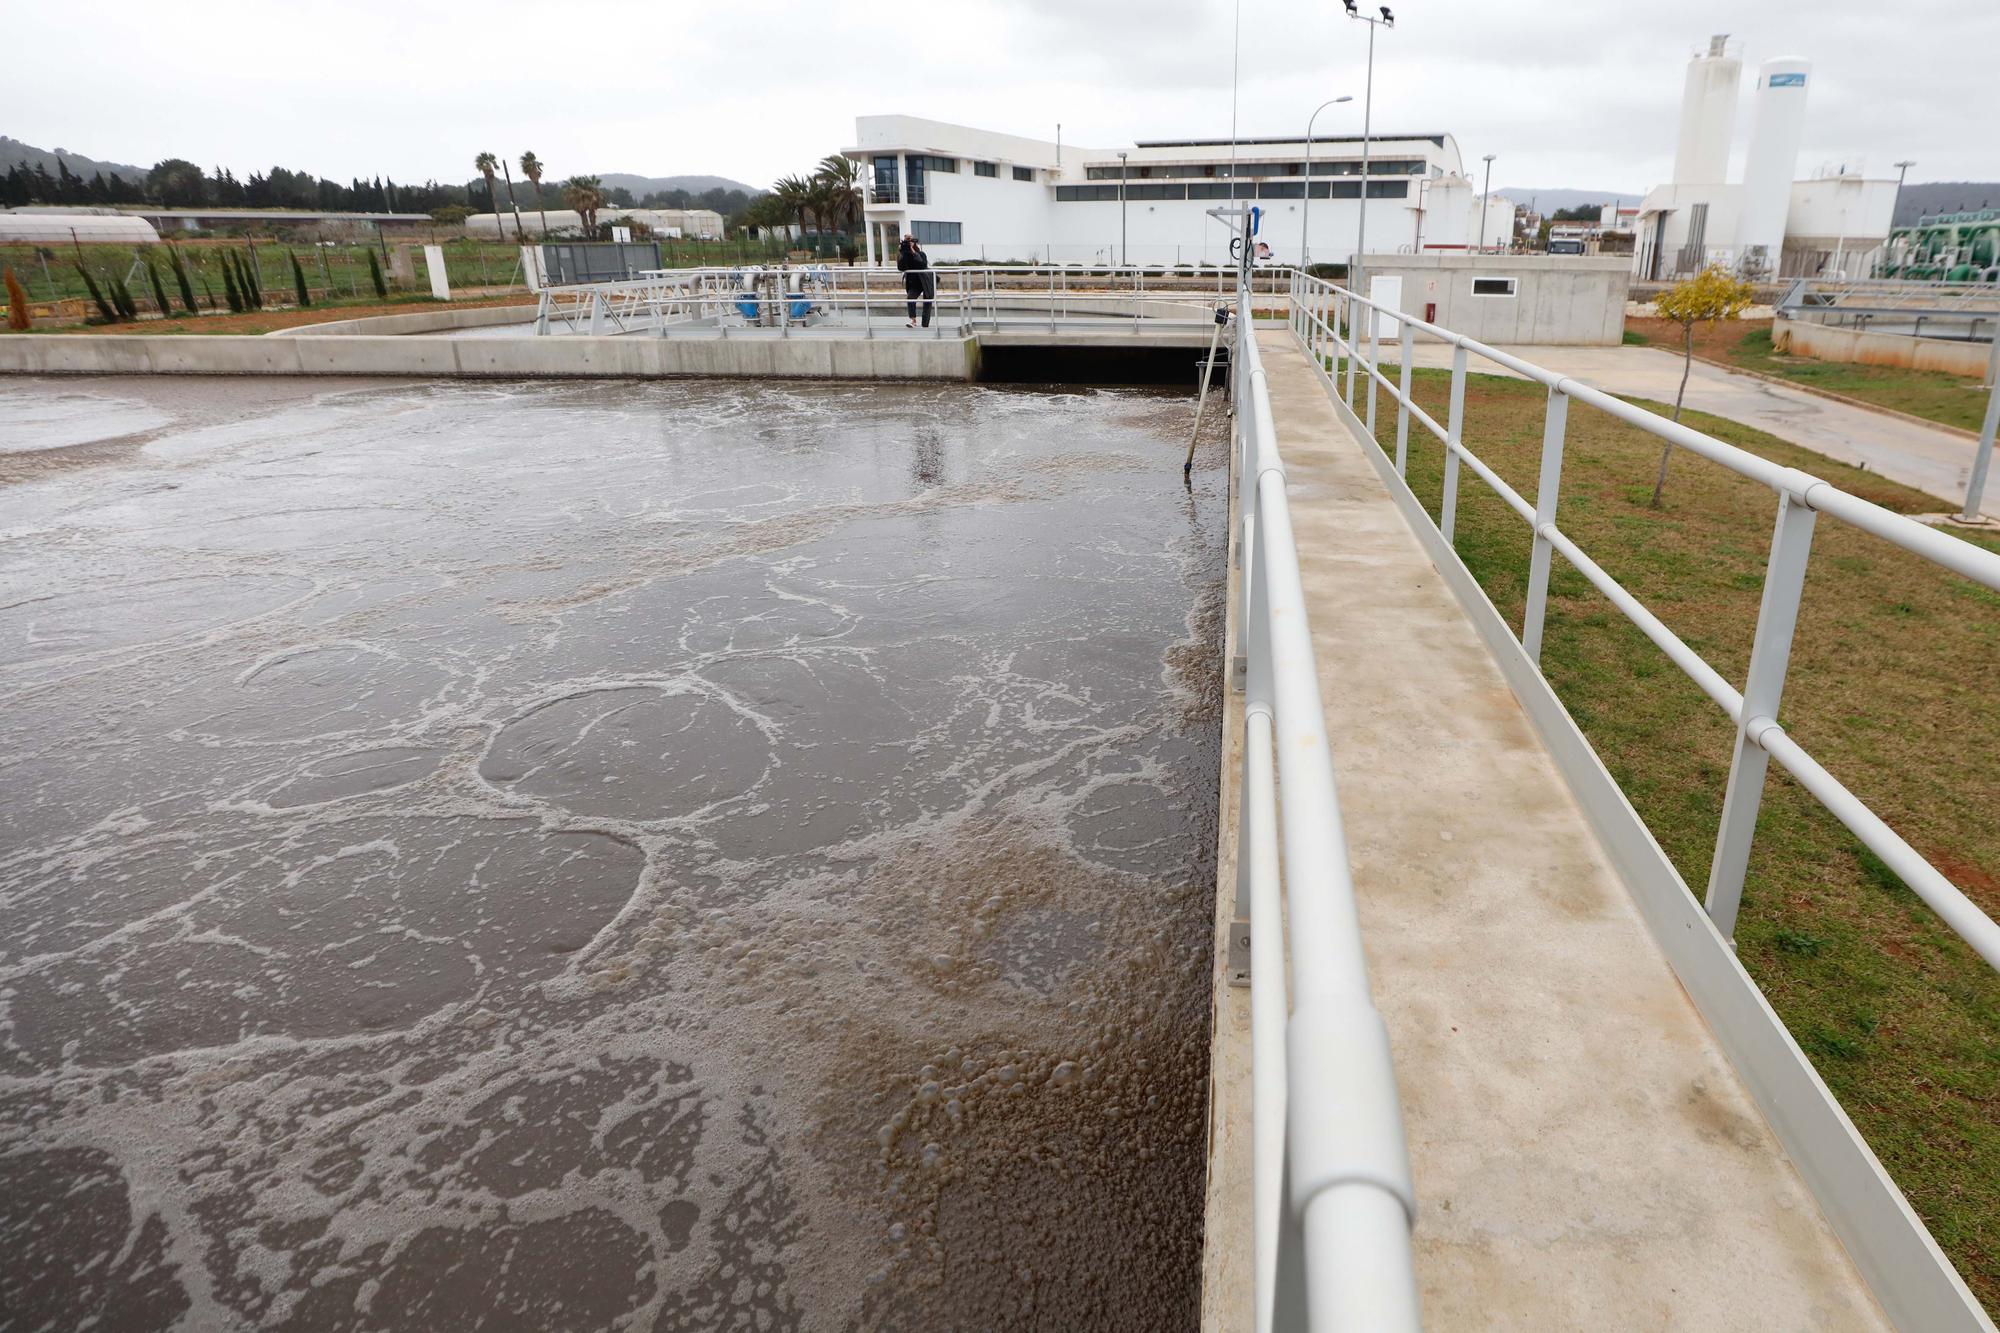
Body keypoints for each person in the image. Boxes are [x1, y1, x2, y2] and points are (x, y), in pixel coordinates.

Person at [897, 234, 935, 329]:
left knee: (927, 301)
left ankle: (925, 324)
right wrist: (903, 252)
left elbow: (922, 265)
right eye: (907, 242)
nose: (909, 244)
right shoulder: (904, 254)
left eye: (910, 242)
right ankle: (913, 320)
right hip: (914, 283)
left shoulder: (921, 254)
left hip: (925, 280)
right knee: (910, 298)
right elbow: (901, 267)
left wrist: (913, 252)